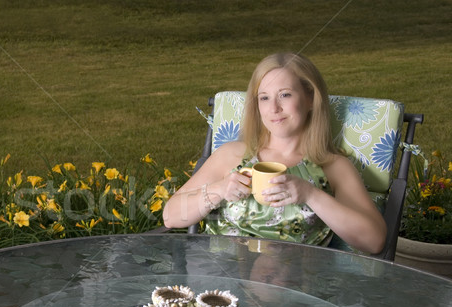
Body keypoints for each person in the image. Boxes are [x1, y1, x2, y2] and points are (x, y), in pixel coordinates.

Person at [162, 52, 386, 255]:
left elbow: (374, 242)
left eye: (285, 95)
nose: (273, 108)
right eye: (264, 97)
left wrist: (311, 195)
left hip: (295, 285)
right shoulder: (232, 155)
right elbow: (171, 217)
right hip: (218, 281)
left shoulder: (331, 166)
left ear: (310, 98)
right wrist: (219, 189)